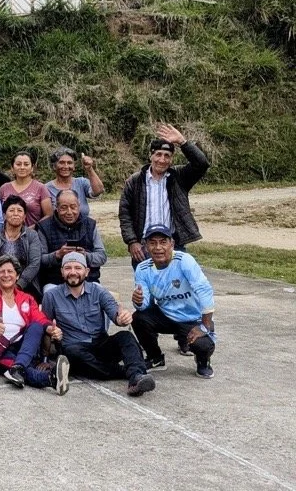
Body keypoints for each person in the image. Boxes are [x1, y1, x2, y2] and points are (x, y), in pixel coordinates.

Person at [42, 253, 156, 397]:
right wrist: (49, 341)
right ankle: (124, 371)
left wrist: (122, 318)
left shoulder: (98, 291)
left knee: (126, 336)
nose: (73, 272)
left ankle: (137, 377)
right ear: (62, 272)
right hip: (75, 349)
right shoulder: (51, 296)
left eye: (78, 268)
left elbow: (115, 312)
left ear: (87, 271)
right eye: (68, 268)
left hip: (100, 344)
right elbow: (44, 324)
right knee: (72, 352)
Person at [0, 256, 70, 394]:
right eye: (2, 272)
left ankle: (18, 366)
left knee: (36, 326)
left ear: (17, 275)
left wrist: (52, 329)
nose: (6, 275)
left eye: (10, 271)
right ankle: (50, 378)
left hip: (22, 345)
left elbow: (39, 318)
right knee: (20, 368)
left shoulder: (27, 298)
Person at [131, 225, 217, 378]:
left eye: (163, 242)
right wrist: (138, 301)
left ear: (172, 244)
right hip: (167, 316)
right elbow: (143, 304)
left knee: (203, 345)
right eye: (152, 243)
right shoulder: (142, 269)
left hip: (192, 319)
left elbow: (205, 290)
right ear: (146, 246)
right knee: (138, 318)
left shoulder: (184, 261)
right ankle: (155, 358)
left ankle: (203, 361)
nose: (158, 247)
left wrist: (204, 325)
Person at [120, 124, 210, 267]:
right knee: (145, 288)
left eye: (167, 156)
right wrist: (132, 241)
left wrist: (182, 142)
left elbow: (202, 164)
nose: (162, 160)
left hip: (173, 245)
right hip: (143, 246)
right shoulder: (135, 181)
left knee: (177, 287)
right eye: (158, 155)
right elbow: (125, 214)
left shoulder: (179, 177)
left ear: (172, 159)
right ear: (151, 156)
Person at [36, 189, 108, 291]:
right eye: (64, 208)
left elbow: (102, 256)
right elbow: (39, 260)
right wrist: (57, 255)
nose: (69, 212)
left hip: (88, 280)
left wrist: (85, 256)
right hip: (55, 282)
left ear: (79, 206)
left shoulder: (90, 224)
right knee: (49, 293)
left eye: (73, 207)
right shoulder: (44, 227)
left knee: (101, 294)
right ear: (56, 207)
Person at [0, 196, 42, 297]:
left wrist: (19, 285)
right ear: (4, 215)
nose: (16, 214)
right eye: (11, 210)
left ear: (25, 216)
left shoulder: (32, 235)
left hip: (25, 285)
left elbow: (34, 263)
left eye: (20, 211)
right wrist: (0, 282)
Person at [0, 151, 52, 228]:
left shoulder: (41, 188)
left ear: (32, 168)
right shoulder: (4, 188)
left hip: (33, 235)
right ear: (12, 168)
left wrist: (31, 230)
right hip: (7, 235)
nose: (22, 167)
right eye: (18, 164)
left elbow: (49, 215)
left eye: (26, 164)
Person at [46, 147, 104, 218]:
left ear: (74, 166)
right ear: (54, 166)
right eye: (62, 163)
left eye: (69, 163)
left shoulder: (81, 182)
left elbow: (99, 191)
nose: (66, 166)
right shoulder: (46, 189)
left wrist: (89, 169)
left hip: (85, 227)